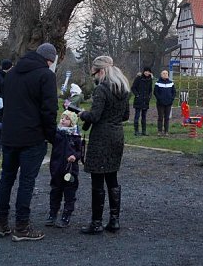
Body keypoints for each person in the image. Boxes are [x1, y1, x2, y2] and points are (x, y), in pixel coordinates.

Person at [0, 42, 58, 242]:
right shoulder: (46, 75)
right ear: (49, 60)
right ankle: (22, 225)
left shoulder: (11, 74)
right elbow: (49, 110)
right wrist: (52, 136)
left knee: (7, 178)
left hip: (10, 133)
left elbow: (5, 103)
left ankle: (1, 222)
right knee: (26, 181)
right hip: (32, 135)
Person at [79, 55, 131, 235]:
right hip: (117, 135)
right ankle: (114, 220)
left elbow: (94, 116)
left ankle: (96, 223)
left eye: (94, 73)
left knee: (97, 180)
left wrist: (83, 114)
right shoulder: (123, 88)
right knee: (112, 178)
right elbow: (126, 116)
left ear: (101, 71)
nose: (94, 77)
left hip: (101, 136)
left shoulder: (101, 89)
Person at [46, 110, 84, 229]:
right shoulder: (57, 134)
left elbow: (80, 152)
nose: (63, 120)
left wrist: (75, 156)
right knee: (55, 191)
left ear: (72, 122)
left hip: (70, 170)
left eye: (66, 119)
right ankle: (52, 214)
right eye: (62, 118)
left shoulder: (76, 137)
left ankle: (66, 216)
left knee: (69, 193)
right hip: (56, 168)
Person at [131, 67, 154, 136]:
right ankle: (136, 131)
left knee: (144, 117)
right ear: (143, 72)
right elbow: (133, 88)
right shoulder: (138, 78)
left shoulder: (150, 80)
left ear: (150, 72)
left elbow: (150, 89)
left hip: (145, 101)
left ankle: (144, 131)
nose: (147, 73)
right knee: (137, 116)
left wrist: (149, 96)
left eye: (148, 71)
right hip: (139, 100)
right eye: (146, 71)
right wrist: (137, 95)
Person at [154, 70, 177, 136]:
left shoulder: (171, 83)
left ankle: (166, 131)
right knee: (160, 117)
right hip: (160, 103)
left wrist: (171, 99)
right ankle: (159, 131)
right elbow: (155, 92)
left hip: (168, 103)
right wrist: (159, 99)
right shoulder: (158, 83)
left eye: (166, 73)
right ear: (161, 74)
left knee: (167, 118)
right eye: (163, 73)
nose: (165, 74)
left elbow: (174, 92)